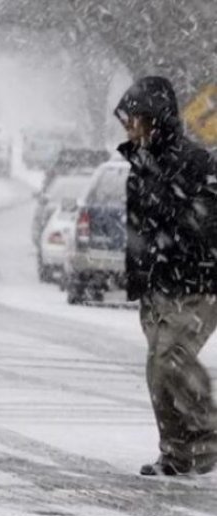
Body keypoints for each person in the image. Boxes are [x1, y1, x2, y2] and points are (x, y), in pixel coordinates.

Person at [115, 76, 217, 476]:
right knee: (157, 373)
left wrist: (182, 231)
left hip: (196, 284)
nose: (128, 126)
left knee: (170, 359)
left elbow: (208, 222)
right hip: (157, 286)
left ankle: (208, 434)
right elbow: (137, 227)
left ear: (153, 119)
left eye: (134, 117)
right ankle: (176, 455)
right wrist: (138, 279)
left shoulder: (195, 163)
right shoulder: (140, 166)